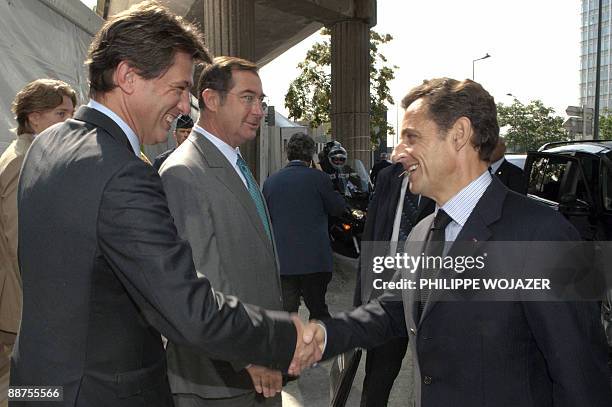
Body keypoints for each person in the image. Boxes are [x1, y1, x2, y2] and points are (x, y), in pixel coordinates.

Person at [10, 3, 319, 407]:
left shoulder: (49, 143)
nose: (182, 106)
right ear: (127, 76)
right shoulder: (122, 173)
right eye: (178, 88)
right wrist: (280, 336)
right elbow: (187, 307)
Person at [304, 78, 612, 407]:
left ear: (459, 135)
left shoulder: (545, 236)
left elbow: (581, 379)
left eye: (411, 137)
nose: (397, 153)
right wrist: (322, 336)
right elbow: (389, 312)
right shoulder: (422, 233)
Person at [160, 56, 285, 406]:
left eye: (261, 100)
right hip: (223, 380)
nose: (259, 110)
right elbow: (203, 282)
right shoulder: (185, 172)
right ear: (211, 100)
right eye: (248, 98)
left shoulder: (236, 165)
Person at [0, 78, 76, 407]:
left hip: (20, 305)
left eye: (72, 114)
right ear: (34, 118)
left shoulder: (25, 155)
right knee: (15, 389)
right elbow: (21, 243)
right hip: (20, 308)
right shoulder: (22, 161)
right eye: (61, 114)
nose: (70, 123)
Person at [353, 152, 434, 407]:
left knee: (435, 370)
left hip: (431, 289)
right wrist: (362, 297)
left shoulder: (445, 177)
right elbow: (372, 233)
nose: (401, 146)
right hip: (387, 281)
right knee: (379, 370)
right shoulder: (388, 177)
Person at [263, 132, 345, 322]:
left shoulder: (270, 183)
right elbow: (338, 208)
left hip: (284, 263)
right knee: (318, 312)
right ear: (311, 155)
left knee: (287, 315)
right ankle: (319, 349)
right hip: (315, 262)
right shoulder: (319, 179)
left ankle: (290, 349)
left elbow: (265, 220)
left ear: (287, 153)